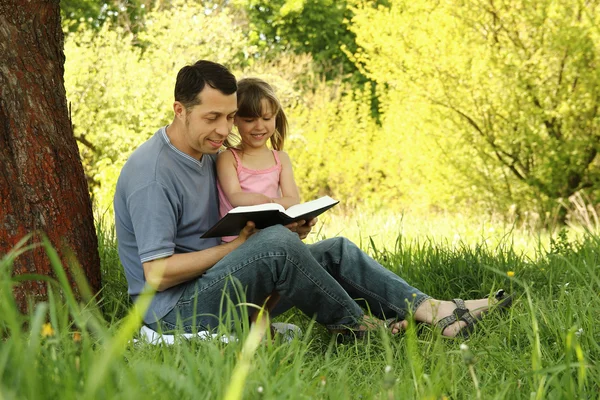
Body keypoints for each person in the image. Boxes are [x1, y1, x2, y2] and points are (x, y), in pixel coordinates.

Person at [113, 60, 511, 339]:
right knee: (275, 247)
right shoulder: (153, 174)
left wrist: (283, 224)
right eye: (212, 118)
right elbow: (157, 274)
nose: (224, 129)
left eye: (230, 116)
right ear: (180, 111)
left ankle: (436, 309)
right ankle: (361, 330)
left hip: (216, 285)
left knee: (334, 250)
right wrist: (244, 246)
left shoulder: (208, 154)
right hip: (173, 315)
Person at [216, 77, 300, 243]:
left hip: (273, 236)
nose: (259, 127)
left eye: (267, 119)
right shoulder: (228, 158)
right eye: (249, 120)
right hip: (237, 242)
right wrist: (268, 204)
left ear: (275, 117)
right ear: (235, 120)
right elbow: (235, 197)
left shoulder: (281, 159)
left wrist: (271, 205)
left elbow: (292, 199)